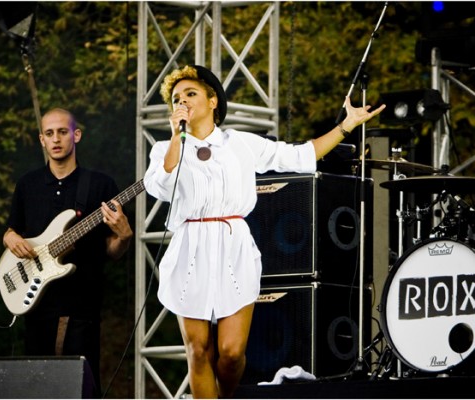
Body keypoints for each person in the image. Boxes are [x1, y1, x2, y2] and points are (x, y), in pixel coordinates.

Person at [143, 64, 386, 399]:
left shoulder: (239, 144)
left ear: (213, 101)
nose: (182, 101)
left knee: (230, 354)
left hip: (233, 245)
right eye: (176, 98)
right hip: (191, 247)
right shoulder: (165, 148)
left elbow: (302, 155)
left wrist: (345, 126)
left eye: (191, 93)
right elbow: (160, 185)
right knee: (198, 350)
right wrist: (176, 135)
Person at [2, 108, 133, 396]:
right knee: (37, 391)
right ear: (41, 140)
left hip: (81, 308)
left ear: (76, 135)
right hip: (34, 304)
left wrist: (124, 236)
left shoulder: (100, 185)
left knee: (79, 389)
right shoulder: (28, 185)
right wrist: (9, 238)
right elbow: (12, 230)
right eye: (49, 133)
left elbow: (112, 251)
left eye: (62, 131)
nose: (56, 139)